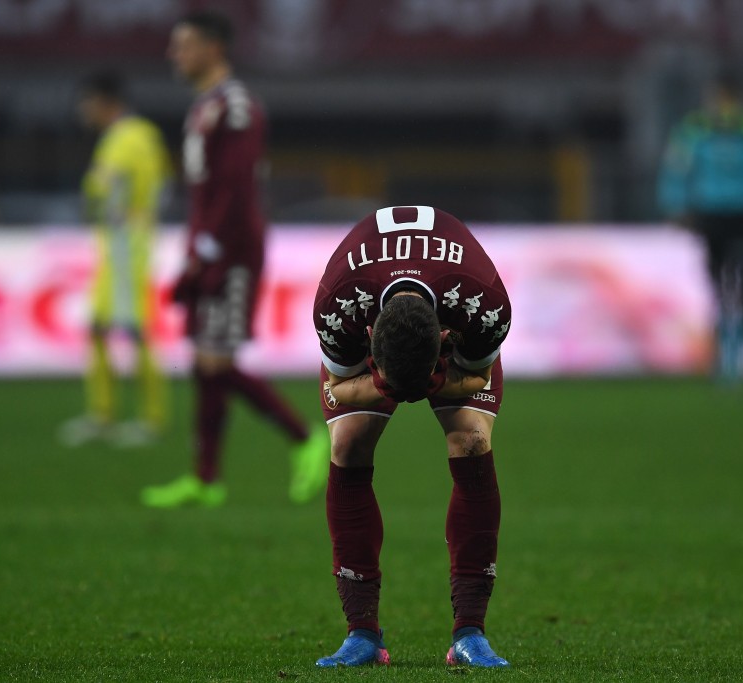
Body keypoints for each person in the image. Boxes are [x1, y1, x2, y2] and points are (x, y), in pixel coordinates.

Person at [142, 11, 329, 508]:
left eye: (182, 45)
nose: (172, 55)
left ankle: (305, 437)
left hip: (233, 252)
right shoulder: (205, 108)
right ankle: (205, 480)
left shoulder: (237, 107)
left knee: (216, 360)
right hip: (209, 247)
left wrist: (208, 251)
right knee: (206, 361)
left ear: (213, 48)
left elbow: (235, 188)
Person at [313, 206, 512, 668]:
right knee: (347, 443)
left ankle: (469, 634)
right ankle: (361, 634)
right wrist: (385, 384)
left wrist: (435, 378)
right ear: (367, 340)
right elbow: (339, 384)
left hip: (455, 333)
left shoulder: (482, 305)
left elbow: (478, 377)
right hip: (372, 316)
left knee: (472, 440)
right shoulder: (338, 305)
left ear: (444, 337)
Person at [657, 70, 743, 382]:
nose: (722, 106)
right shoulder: (695, 130)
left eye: (726, 99)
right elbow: (675, 171)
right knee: (718, 284)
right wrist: (677, 206)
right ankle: (725, 352)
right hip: (710, 216)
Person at [59, 71, 171, 448]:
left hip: (127, 246)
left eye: (87, 101)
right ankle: (102, 415)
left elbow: (105, 191)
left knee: (135, 330)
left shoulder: (125, 138)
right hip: (123, 244)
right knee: (98, 328)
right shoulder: (142, 136)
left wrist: (100, 206)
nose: (83, 110)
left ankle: (150, 420)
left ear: (105, 102)